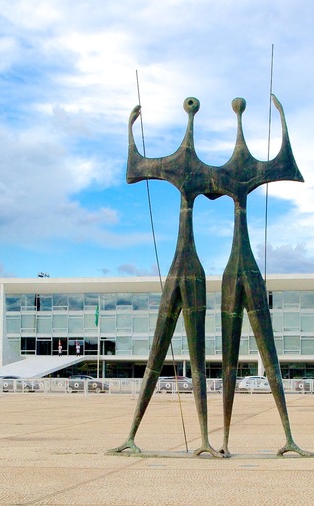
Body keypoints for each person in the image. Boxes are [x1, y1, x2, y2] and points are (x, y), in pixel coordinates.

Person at [110, 97, 222, 457]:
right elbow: (136, 168)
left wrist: (130, 129)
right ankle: (152, 436)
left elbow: (135, 168)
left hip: (184, 269)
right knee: (176, 358)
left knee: (171, 358)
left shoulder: (177, 166)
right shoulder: (202, 170)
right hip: (187, 269)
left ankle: (197, 438)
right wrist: (129, 129)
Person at [209, 96, 313, 457]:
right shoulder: (244, 171)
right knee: (249, 358)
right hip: (242, 268)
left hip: (240, 269)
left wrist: (282, 117)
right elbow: (286, 162)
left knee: (243, 358)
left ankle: (234, 440)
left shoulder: (220, 173)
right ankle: (232, 440)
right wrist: (282, 117)